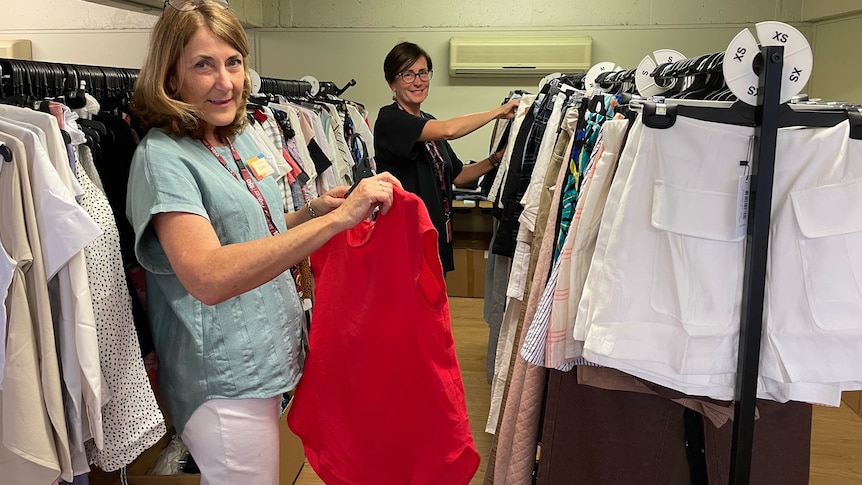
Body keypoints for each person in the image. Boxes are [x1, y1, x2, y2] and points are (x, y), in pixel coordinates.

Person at [125, 1, 401, 483]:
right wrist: (336, 224)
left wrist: (312, 211)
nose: (225, 81)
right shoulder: (162, 159)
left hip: (268, 355)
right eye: (203, 65)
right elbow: (207, 275)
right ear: (171, 76)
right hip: (225, 379)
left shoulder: (240, 135)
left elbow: (256, 231)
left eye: (233, 62)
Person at [374, 41, 519, 273]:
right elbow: (449, 130)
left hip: (436, 231)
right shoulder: (390, 120)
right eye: (407, 75)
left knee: (434, 302)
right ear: (392, 82)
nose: (418, 81)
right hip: (406, 237)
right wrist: (498, 112)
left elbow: (459, 176)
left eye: (422, 73)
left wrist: (498, 158)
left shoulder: (428, 120)